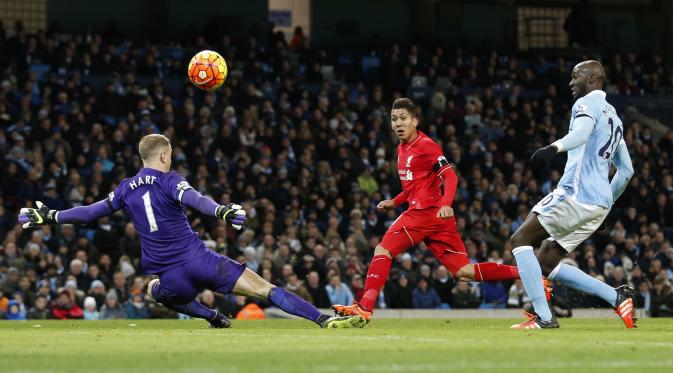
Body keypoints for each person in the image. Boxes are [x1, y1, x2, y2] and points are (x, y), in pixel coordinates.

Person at [19, 134, 364, 329]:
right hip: (201, 261)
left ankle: (212, 316)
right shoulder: (171, 179)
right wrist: (223, 210)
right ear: (165, 155)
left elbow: (90, 213)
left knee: (154, 289)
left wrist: (51, 216)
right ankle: (322, 320)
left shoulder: (125, 188)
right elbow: (196, 200)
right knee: (266, 290)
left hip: (171, 276)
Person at [333, 98, 544, 324]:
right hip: (434, 218)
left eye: (403, 118)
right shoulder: (402, 148)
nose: (398, 123)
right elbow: (415, 186)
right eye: (394, 119)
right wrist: (394, 202)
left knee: (382, 251)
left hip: (426, 212)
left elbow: (450, 176)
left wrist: (446, 204)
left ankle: (364, 308)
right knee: (464, 272)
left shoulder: (427, 146)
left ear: (415, 121)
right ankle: (532, 276)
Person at [510, 60, 636, 329]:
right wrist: (607, 202)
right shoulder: (615, 117)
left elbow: (580, 134)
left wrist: (553, 148)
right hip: (599, 205)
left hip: (576, 194)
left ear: (592, 78)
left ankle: (544, 318)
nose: (570, 82)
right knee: (547, 258)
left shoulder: (586, 104)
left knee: (520, 238)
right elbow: (626, 171)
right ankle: (616, 296)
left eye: (575, 76)